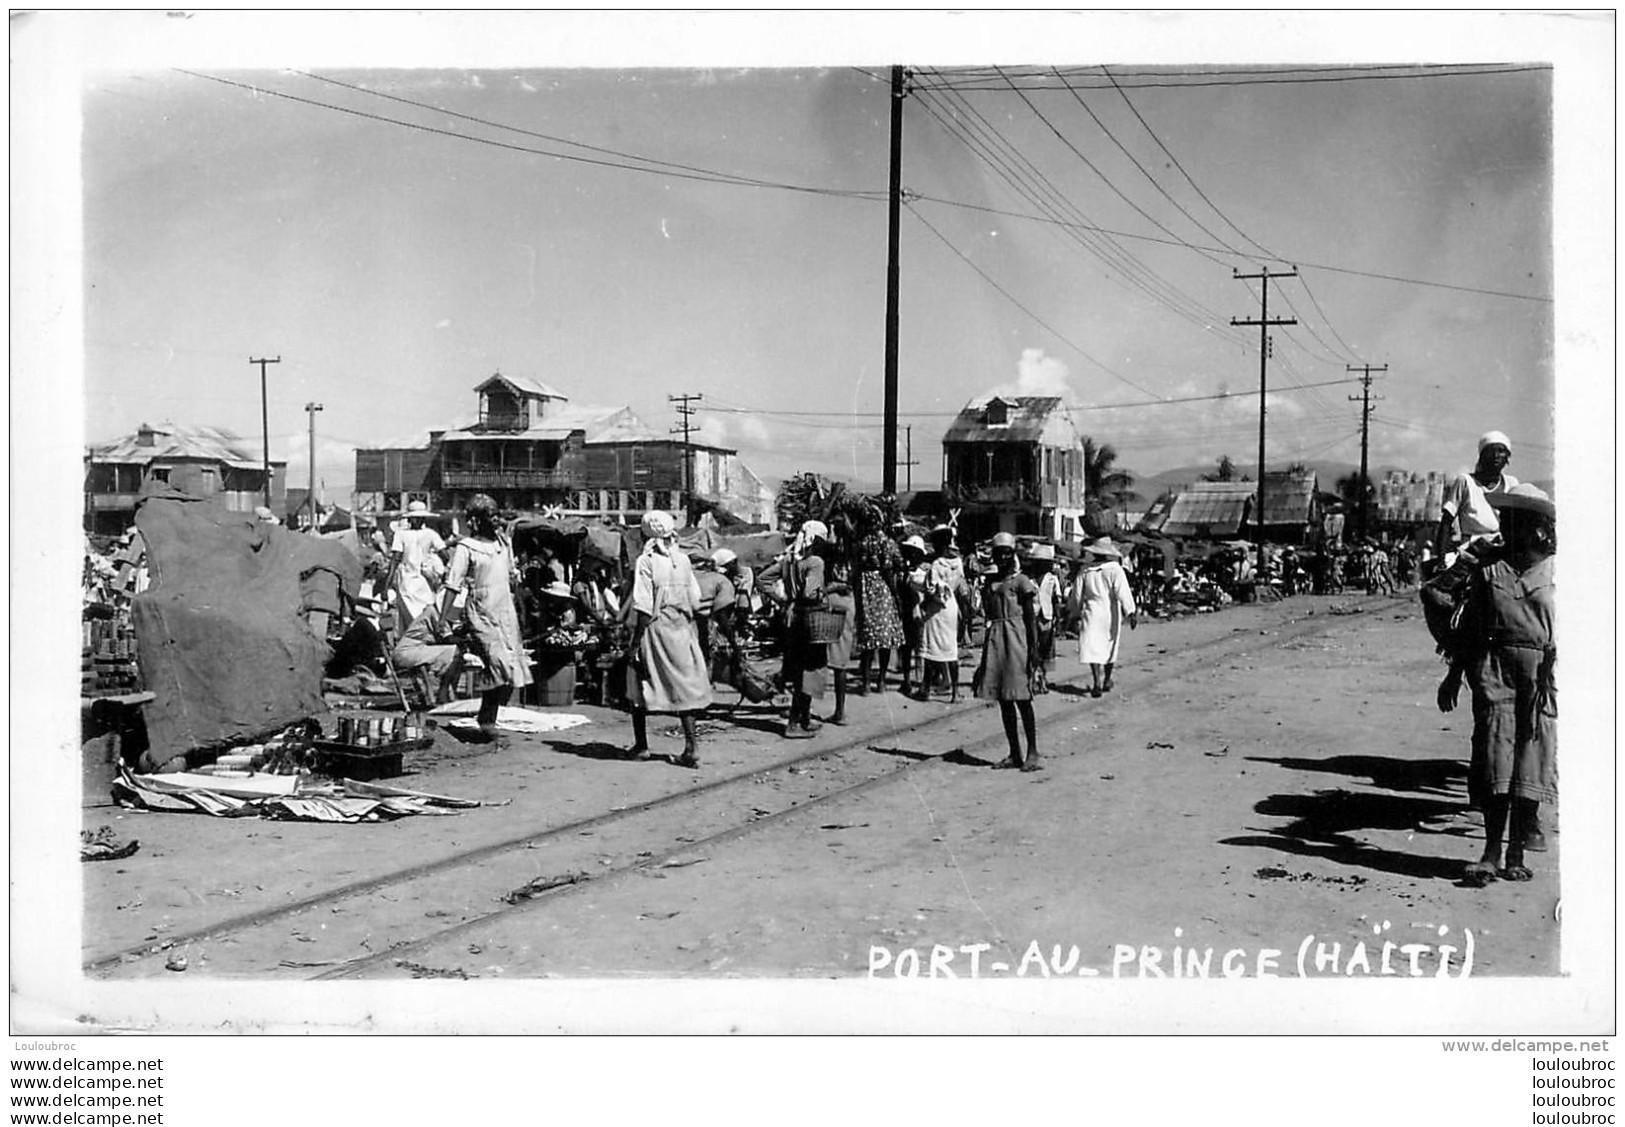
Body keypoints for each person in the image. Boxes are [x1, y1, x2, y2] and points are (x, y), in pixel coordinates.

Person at [1440, 484, 1556, 887]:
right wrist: (1454, 675)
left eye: (1516, 520)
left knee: (1530, 759)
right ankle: (1490, 853)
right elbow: (1470, 630)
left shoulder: (1558, 571)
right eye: (1505, 518)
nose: (1507, 526)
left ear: (1536, 526)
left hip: (1542, 675)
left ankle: (1517, 852)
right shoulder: (1487, 569)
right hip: (1496, 671)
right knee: (1495, 759)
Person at [624, 510, 711, 768]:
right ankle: (691, 746)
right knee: (684, 687)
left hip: (656, 629)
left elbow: (643, 606)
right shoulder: (683, 560)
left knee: (637, 685)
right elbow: (696, 599)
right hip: (682, 628)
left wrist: (634, 643)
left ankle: (641, 746)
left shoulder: (647, 561)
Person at [441, 495, 532, 742]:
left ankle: (487, 716)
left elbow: (511, 580)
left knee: (511, 667)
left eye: (496, 515)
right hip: (481, 612)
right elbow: (453, 584)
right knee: (498, 661)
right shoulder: (466, 547)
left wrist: (521, 610)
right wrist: (443, 619)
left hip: (505, 610)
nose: (495, 521)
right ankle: (486, 716)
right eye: (489, 517)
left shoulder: (503, 543)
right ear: (477, 521)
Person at [974, 532, 1042, 771]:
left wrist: (1034, 649)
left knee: (1022, 698)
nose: (1002, 557)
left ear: (1012, 555)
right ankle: (1014, 753)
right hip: (996, 641)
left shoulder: (1021, 581)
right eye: (998, 553)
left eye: (1006, 553)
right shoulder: (989, 584)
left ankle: (1032, 752)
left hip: (1017, 640)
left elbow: (1031, 617)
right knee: (1004, 700)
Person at [760, 519, 833, 738]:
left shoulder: (789, 560)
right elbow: (811, 593)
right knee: (808, 672)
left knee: (800, 669)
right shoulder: (815, 562)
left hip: (792, 619)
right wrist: (824, 593)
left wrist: (783, 601)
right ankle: (793, 723)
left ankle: (805, 718)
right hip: (810, 619)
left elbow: (763, 580)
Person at [1436, 430, 1519, 563]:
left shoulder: (1512, 484)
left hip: (1502, 553)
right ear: (1482, 456)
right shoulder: (1465, 482)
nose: (1496, 456)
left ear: (1507, 457)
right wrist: (1441, 559)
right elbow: (1446, 522)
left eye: (1501, 451)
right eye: (1491, 451)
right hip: (1470, 553)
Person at [1071, 536, 1138, 698]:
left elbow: (1076, 596)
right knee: (1109, 645)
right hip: (1109, 611)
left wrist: (1074, 613)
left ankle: (1096, 682)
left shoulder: (1085, 571)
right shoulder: (1115, 569)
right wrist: (1131, 611)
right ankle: (1107, 679)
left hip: (1091, 612)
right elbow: (1123, 592)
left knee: (1092, 646)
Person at [851, 520, 907, 695]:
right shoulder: (887, 543)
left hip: (865, 588)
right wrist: (896, 595)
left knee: (868, 637)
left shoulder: (861, 542)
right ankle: (881, 681)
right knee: (885, 638)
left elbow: (856, 567)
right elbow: (890, 568)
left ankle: (867, 683)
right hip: (882, 589)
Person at [914, 524, 968, 702]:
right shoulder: (958, 562)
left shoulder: (936, 565)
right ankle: (955, 692)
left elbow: (931, 590)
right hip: (951, 607)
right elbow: (959, 587)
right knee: (951, 650)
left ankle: (926, 689)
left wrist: (923, 606)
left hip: (936, 610)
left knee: (931, 650)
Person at [390, 601, 464, 705]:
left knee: (457, 653)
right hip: (407, 652)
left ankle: (447, 691)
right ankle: (443, 691)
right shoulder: (434, 613)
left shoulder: (436, 612)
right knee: (455, 651)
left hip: (415, 650)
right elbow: (449, 639)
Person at [390, 500, 447, 629]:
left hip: (420, 579)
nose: (418, 521)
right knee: (416, 614)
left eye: (419, 518)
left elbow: (445, 555)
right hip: (409, 578)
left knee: (419, 614)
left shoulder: (427, 534)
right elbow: (395, 559)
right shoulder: (405, 534)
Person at [1025, 543, 1061, 694]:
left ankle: (1043, 678)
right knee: (1032, 648)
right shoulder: (1028, 579)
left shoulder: (1052, 579)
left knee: (1045, 649)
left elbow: (1056, 599)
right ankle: (1032, 678)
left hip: (1046, 617)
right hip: (1032, 617)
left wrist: (1057, 618)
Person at [894, 534, 928, 698]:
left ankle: (920, 680)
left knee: (920, 648)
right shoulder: (903, 573)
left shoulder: (922, 574)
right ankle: (907, 680)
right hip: (906, 613)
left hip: (919, 614)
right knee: (906, 648)